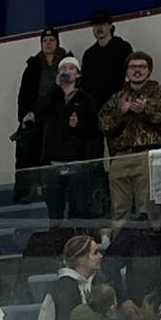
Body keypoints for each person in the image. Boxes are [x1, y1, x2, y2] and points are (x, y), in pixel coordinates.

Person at [99, 52, 161, 228]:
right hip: (120, 157)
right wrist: (121, 114)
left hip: (148, 155)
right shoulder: (117, 98)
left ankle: (148, 250)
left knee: (147, 208)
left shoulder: (160, 92)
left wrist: (145, 110)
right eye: (133, 67)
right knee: (119, 210)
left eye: (142, 67)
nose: (137, 71)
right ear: (127, 71)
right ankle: (120, 250)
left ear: (149, 71)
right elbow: (105, 126)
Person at [39, 58, 105, 225]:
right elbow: (40, 112)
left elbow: (95, 130)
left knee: (79, 208)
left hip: (78, 161)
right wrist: (55, 87)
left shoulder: (86, 99)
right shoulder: (52, 96)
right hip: (54, 161)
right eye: (63, 68)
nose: (66, 71)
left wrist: (78, 125)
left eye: (70, 68)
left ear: (78, 74)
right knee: (55, 212)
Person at [15, 28, 73, 203]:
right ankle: (27, 192)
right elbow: (23, 94)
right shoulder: (33, 65)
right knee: (27, 151)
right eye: (45, 40)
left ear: (57, 42)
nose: (48, 43)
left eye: (51, 40)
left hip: (58, 116)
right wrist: (25, 116)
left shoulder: (67, 63)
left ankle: (52, 191)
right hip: (35, 117)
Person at [35, 235, 103, 320]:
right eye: (95, 252)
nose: (100, 256)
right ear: (81, 258)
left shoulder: (98, 285)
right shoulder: (59, 288)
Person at [77, 9, 134, 120]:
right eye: (95, 25)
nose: (99, 28)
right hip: (94, 110)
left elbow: (130, 76)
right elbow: (84, 84)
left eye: (102, 24)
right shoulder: (89, 54)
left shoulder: (123, 47)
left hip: (117, 106)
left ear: (110, 26)